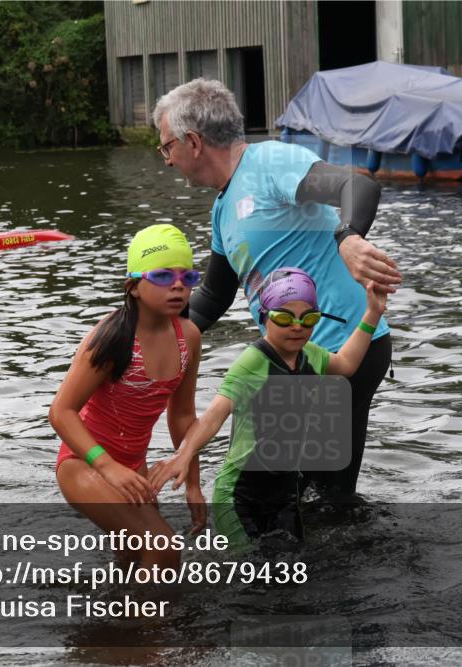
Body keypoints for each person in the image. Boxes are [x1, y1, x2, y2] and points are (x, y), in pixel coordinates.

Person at [152, 78, 402, 500]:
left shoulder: (269, 163)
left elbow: (357, 186)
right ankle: (359, 557)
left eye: (166, 147)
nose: (167, 161)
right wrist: (150, 328)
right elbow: (214, 296)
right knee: (324, 494)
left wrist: (350, 238)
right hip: (307, 357)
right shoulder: (221, 209)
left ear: (192, 141)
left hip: (340, 351)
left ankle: (281, 561)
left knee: (260, 493)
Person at [149, 268, 387, 549]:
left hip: (284, 492)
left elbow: (347, 364)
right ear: (264, 317)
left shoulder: (312, 355)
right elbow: (214, 416)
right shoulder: (253, 362)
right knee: (245, 575)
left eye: (308, 318)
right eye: (284, 318)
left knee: (292, 573)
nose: (297, 327)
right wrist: (184, 454)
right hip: (239, 496)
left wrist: (372, 313)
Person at [49, 224, 204, 569]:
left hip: (134, 466)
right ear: (133, 286)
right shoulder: (112, 337)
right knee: (164, 548)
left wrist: (193, 482)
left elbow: (181, 417)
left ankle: (119, 621)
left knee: (135, 556)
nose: (178, 285)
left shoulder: (188, 337)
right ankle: (151, 624)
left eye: (187, 277)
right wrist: (106, 467)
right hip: (83, 462)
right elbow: (61, 411)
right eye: (163, 276)